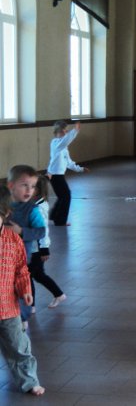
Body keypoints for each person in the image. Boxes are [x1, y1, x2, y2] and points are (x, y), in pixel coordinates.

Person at [0, 185, 45, 396]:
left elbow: (21, 270)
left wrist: (25, 290)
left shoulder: (13, 240)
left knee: (19, 347)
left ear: (6, 214)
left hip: (8, 308)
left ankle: (29, 381)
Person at [6, 165, 46, 330]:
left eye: (33, 186)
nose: (29, 190)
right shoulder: (4, 205)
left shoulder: (32, 209)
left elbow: (41, 231)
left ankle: (22, 317)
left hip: (20, 258)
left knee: (20, 287)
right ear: (11, 186)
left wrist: (21, 231)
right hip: (3, 256)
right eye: (24, 185)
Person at [30, 175, 67, 310]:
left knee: (27, 276)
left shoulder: (40, 207)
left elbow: (43, 229)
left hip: (36, 249)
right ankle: (59, 294)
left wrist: (44, 248)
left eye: (31, 187)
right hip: (33, 247)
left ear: (38, 190)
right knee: (38, 275)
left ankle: (30, 306)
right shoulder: (32, 204)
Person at [47, 120, 88, 226]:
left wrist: (80, 169)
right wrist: (75, 131)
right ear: (59, 131)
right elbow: (66, 140)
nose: (66, 132)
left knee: (63, 196)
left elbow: (68, 162)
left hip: (58, 175)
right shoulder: (55, 143)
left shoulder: (63, 147)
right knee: (66, 196)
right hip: (54, 175)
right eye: (65, 130)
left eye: (66, 131)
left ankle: (54, 215)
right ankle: (60, 220)